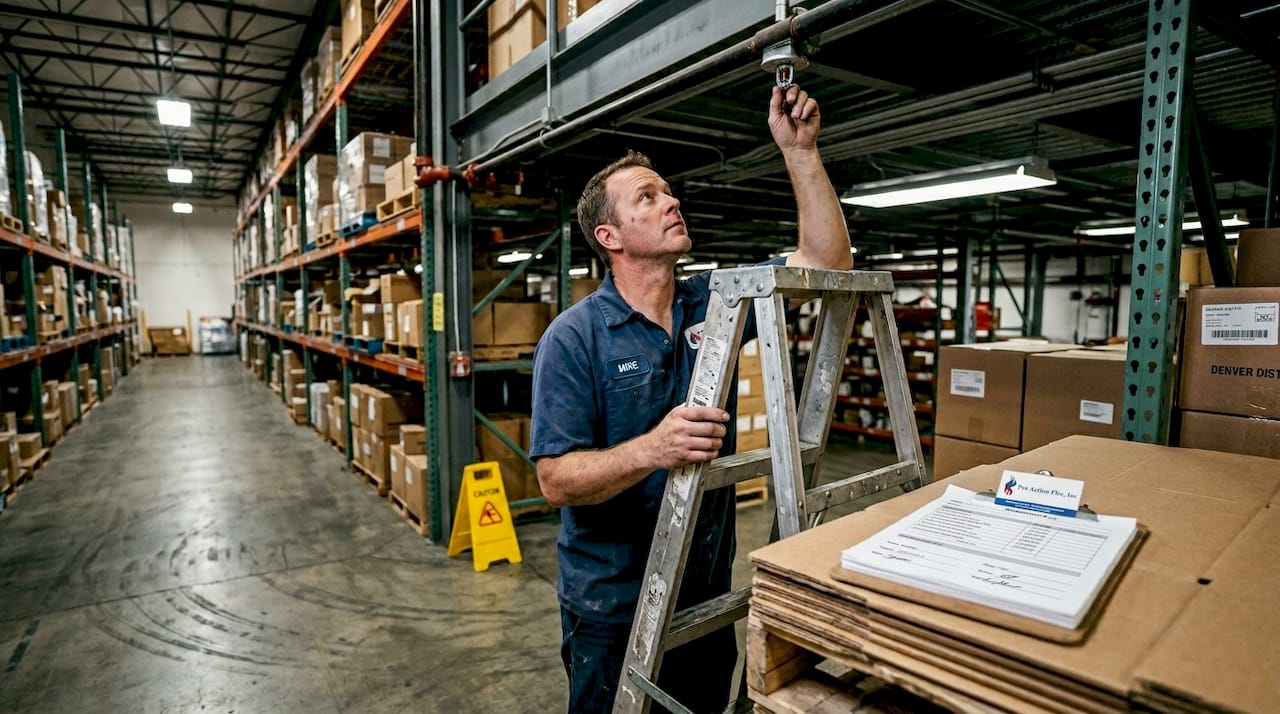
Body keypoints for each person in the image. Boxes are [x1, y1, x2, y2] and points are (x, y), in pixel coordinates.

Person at [529, 84, 852, 714]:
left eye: (668, 191)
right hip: (614, 605)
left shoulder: (717, 303)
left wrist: (801, 153)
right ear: (610, 236)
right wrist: (652, 450)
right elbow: (555, 480)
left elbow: (826, 264)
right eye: (647, 197)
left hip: (705, 593)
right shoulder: (573, 339)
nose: (671, 201)